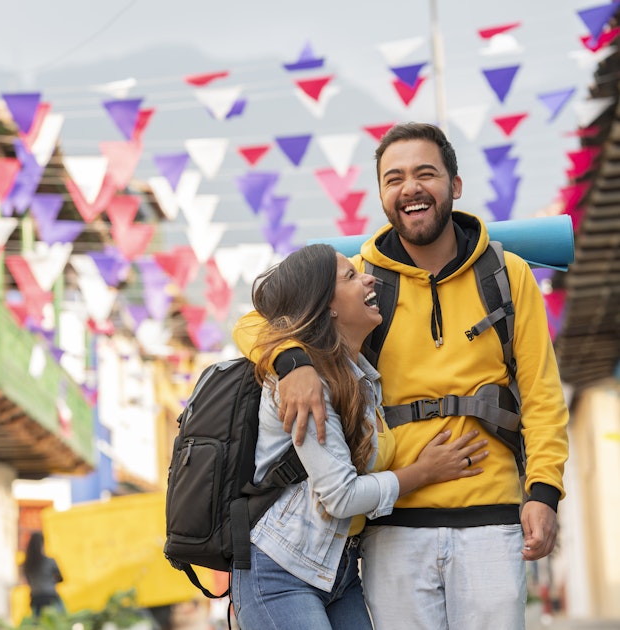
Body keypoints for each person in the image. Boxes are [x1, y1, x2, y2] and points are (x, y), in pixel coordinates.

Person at [233, 122, 569, 629]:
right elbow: (253, 321)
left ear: (454, 187)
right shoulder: (360, 275)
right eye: (394, 179)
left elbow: (542, 395)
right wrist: (291, 361)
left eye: (425, 173)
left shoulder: (506, 274)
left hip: (491, 517)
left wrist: (543, 492)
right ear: (383, 197)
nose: (409, 187)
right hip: (392, 526)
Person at [232, 243, 490, 630]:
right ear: (327, 305)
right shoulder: (306, 383)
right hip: (280, 571)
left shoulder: (363, 378)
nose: (369, 278)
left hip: (339, 570)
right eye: (350, 276)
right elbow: (341, 497)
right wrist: (423, 472)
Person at [22, 531, 65, 618]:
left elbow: (28, 580)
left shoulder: (27, 564)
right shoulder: (49, 561)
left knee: (37, 624)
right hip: (50, 597)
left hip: (35, 598)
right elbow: (61, 578)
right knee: (59, 620)